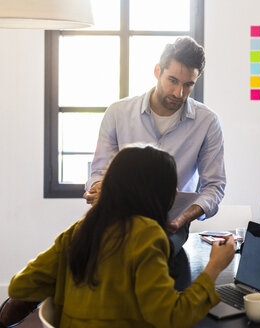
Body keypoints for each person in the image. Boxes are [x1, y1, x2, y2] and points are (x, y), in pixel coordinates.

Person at [1, 146, 236, 328]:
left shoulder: (80, 229)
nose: (175, 193)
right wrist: (214, 267)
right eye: (171, 186)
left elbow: (21, 286)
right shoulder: (147, 235)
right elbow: (171, 317)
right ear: (156, 191)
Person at [84, 37, 226, 253]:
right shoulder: (117, 113)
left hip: (171, 225)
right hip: (118, 219)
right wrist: (97, 188)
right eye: (173, 80)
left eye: (188, 85)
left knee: (154, 253)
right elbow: (99, 172)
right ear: (157, 70)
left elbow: (214, 187)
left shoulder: (207, 122)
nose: (179, 93)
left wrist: (183, 219)